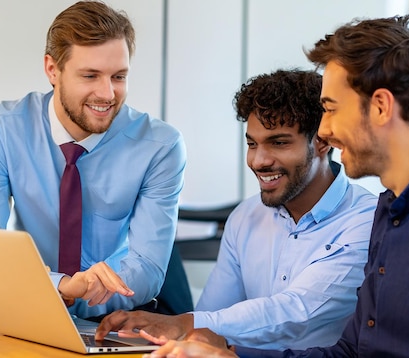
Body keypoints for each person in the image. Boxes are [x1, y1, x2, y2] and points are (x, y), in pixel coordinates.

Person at [142, 14, 409, 358]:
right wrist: (232, 355)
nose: (323, 131)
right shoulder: (392, 207)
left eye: (331, 109)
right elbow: (351, 352)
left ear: (381, 107)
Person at [94, 69, 377, 351]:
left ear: (322, 142)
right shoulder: (245, 217)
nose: (259, 160)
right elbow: (210, 318)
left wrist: (184, 324)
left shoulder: (366, 222)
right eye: (252, 144)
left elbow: (299, 311)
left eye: (279, 143)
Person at [0, 0, 186, 319]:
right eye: (90, 76)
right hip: (29, 309)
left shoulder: (160, 146)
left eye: (118, 77)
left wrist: (87, 290)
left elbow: (147, 270)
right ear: (52, 69)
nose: (107, 94)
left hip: (115, 317)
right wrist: (59, 286)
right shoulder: (2, 130)